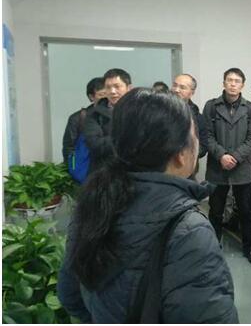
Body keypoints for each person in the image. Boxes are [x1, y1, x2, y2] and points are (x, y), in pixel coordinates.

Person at [57, 88, 238, 323]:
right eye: (194, 137)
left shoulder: (94, 203)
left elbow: (70, 296)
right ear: (180, 154)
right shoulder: (189, 229)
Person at [203, 68, 251, 265]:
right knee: (215, 211)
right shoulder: (211, 106)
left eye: (237, 81)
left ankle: (249, 248)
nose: (233, 84)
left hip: (241, 168)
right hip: (217, 167)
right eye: (229, 80)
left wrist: (234, 157)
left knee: (246, 211)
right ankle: (212, 248)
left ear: (242, 85)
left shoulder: (250, 108)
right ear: (224, 83)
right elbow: (207, 135)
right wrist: (221, 155)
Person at [84, 68, 132, 173]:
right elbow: (95, 144)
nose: (112, 91)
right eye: (108, 87)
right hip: (105, 172)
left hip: (135, 171)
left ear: (129, 88)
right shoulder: (95, 114)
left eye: (117, 86)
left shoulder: (140, 111)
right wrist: (127, 138)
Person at [62, 77, 106, 162]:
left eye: (108, 94)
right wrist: (73, 167)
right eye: (102, 94)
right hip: (86, 167)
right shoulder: (77, 118)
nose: (106, 98)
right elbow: (69, 149)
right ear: (91, 97)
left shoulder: (117, 114)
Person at [171, 74, 208, 160]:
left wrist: (186, 153)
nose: (176, 90)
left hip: (186, 163)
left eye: (182, 87)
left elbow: (203, 147)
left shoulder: (197, 117)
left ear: (192, 93)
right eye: (174, 85)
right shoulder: (160, 111)